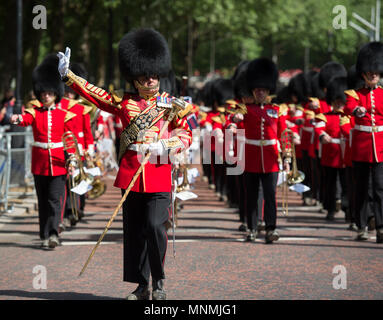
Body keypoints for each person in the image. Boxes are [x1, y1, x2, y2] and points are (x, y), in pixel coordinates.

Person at [57, 28, 192, 299]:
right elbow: (94, 94)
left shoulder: (171, 105)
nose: (151, 80)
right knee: (135, 233)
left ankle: (159, 281)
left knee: (155, 227)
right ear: (135, 77)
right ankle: (142, 285)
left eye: (154, 75)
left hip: (159, 173)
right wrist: (68, 76)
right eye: (145, 76)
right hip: (132, 175)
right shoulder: (124, 102)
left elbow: (186, 133)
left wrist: (165, 145)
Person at [10, 54, 75, 250]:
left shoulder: (64, 115)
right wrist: (16, 118)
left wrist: (71, 160)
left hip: (57, 163)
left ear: (56, 93)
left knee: (55, 200)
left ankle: (54, 233)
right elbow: (25, 120)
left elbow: (69, 139)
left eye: (49, 93)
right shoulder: (34, 112)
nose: (46, 95)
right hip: (40, 163)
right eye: (43, 93)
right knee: (43, 201)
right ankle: (44, 233)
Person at [232, 57, 289, 244]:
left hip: (271, 158)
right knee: (251, 196)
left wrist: (286, 156)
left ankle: (271, 228)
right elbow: (231, 119)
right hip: (251, 158)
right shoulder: (245, 109)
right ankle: (252, 228)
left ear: (268, 91)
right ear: (253, 91)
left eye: (263, 90)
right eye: (257, 90)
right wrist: (235, 118)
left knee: (270, 196)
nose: (260, 93)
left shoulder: (276, 109)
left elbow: (283, 134)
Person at [344, 41, 383, 243]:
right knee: (361, 188)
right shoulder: (354, 95)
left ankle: (381, 226)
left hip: (381, 148)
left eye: (376, 71)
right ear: (363, 74)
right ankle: (361, 225)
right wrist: (357, 111)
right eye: (370, 71)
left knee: (379, 187)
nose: (373, 74)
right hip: (361, 148)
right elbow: (350, 108)